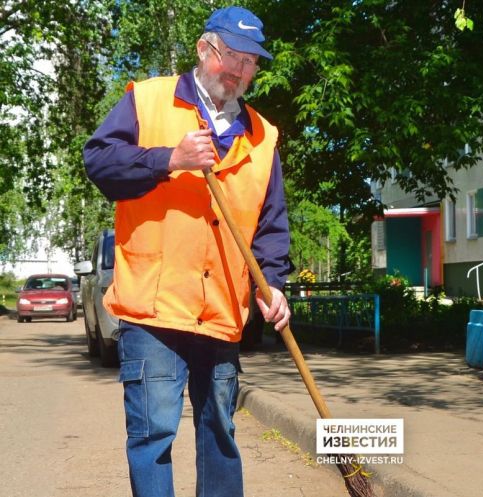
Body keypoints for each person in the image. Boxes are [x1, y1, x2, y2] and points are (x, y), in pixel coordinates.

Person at [83, 6, 292, 497]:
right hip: (154, 311)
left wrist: (274, 284)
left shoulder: (262, 137)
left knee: (221, 430)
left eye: (250, 63)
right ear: (204, 49)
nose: (239, 71)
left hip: (220, 311)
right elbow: (99, 162)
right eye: (231, 57)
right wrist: (170, 159)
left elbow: (271, 226)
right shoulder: (148, 101)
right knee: (154, 434)